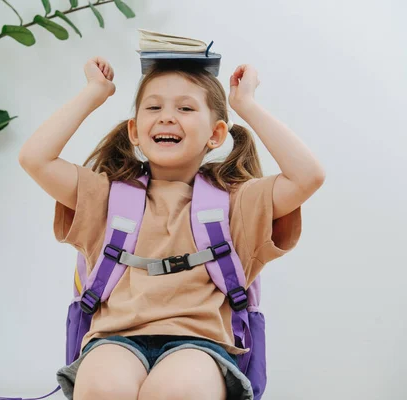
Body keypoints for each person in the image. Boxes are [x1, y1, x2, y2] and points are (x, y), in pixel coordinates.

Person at [18, 56, 325, 400]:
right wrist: (94, 92)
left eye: (185, 108)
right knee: (104, 385)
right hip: (114, 339)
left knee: (175, 389)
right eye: (153, 107)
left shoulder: (237, 202)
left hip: (201, 345)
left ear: (216, 133)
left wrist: (246, 104)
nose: (167, 116)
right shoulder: (104, 195)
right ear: (134, 130)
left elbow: (307, 176)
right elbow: (35, 158)